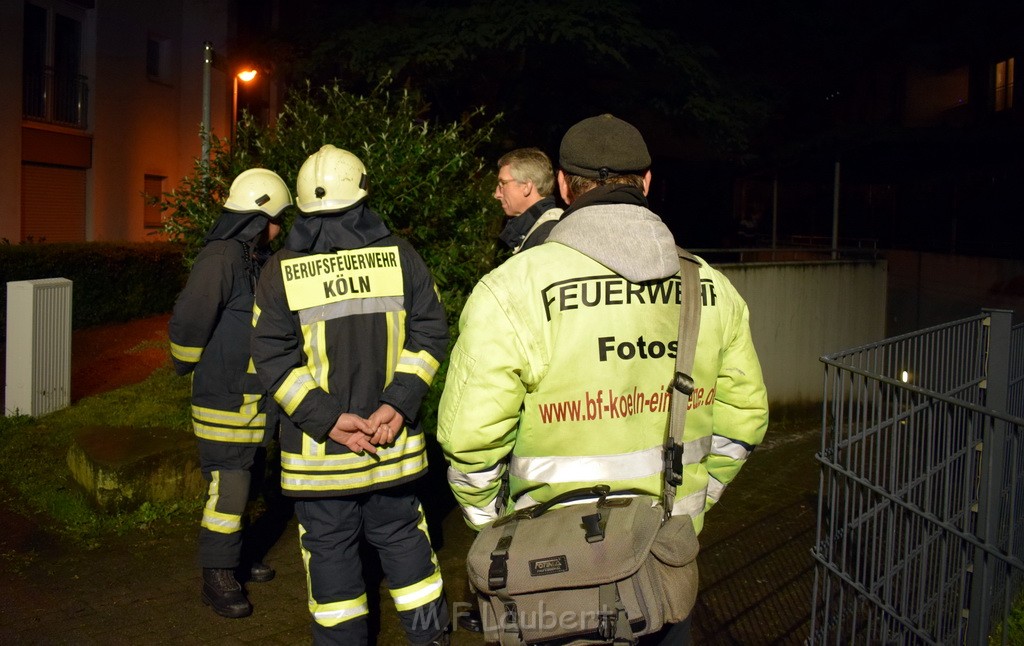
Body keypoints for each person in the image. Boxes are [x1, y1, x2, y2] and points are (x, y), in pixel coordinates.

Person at [437, 114, 769, 644]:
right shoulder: (711, 286)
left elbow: (469, 438)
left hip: (551, 575)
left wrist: (490, 524)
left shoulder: (513, 288)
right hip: (665, 568)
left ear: (564, 186)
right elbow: (745, 420)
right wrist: (694, 506)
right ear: (647, 182)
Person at [251, 145, 451, 645]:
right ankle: (432, 639)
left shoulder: (279, 271)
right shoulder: (399, 256)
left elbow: (271, 362)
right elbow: (430, 333)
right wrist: (397, 403)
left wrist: (328, 419)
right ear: (363, 194)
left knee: (332, 562)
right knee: (408, 547)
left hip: (320, 457)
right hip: (391, 446)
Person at [168, 168, 293, 619]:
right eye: (277, 219)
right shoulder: (221, 258)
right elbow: (190, 320)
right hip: (225, 400)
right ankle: (217, 574)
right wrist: (183, 360)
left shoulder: (251, 257)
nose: (279, 229)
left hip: (254, 402)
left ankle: (237, 557)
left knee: (249, 479)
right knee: (230, 488)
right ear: (259, 218)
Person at [494, 147, 564, 253]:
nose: (497, 194)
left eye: (503, 184)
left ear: (526, 187)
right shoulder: (530, 231)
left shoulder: (548, 237)